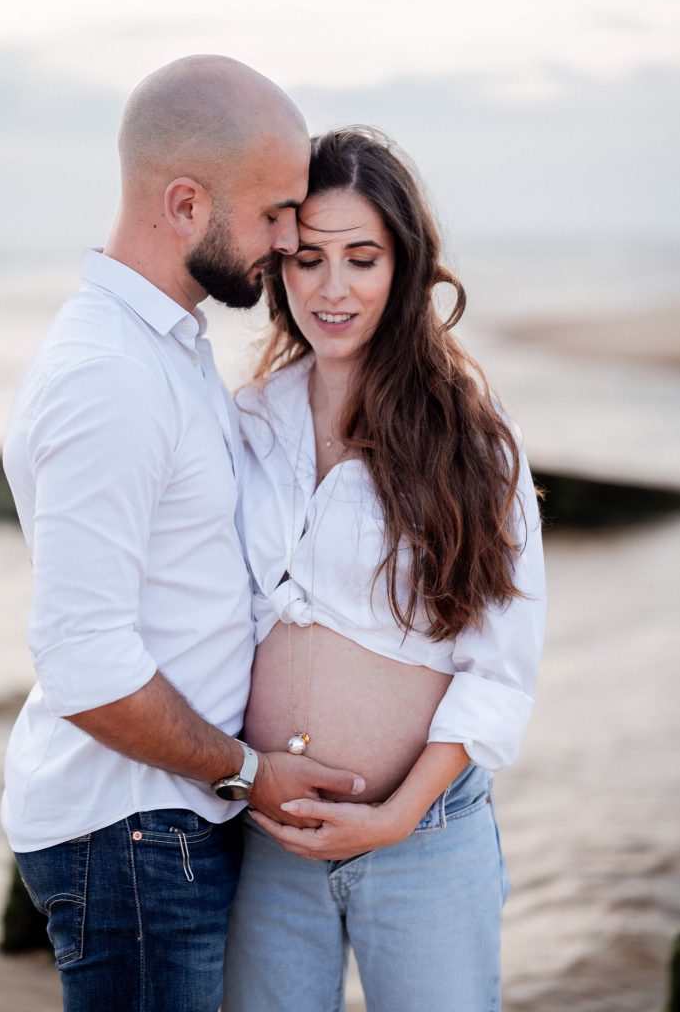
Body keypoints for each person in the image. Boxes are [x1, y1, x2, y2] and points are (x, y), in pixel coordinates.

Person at [1, 58, 367, 1012]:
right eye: (274, 213)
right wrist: (249, 772)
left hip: (161, 821)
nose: (290, 242)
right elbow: (85, 665)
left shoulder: (168, 347)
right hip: (131, 836)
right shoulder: (109, 379)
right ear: (183, 201)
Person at [223, 127, 547, 1011]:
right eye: (307, 259)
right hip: (264, 842)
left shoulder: (472, 439)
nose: (331, 290)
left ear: (404, 268)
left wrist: (395, 814)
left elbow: (501, 660)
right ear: (275, 268)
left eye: (361, 260)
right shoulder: (246, 422)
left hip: (424, 844)